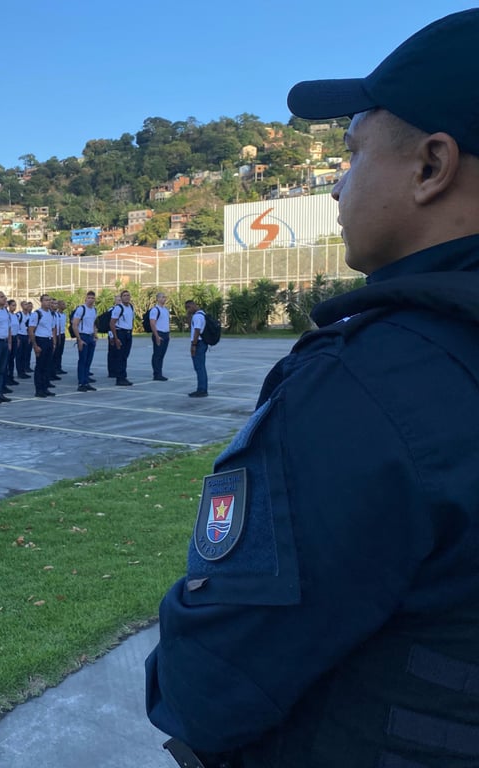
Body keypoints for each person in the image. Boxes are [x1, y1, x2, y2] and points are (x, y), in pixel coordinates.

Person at [146, 11, 479, 767]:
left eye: (354, 153)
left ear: (432, 166)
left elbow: (213, 679)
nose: (337, 185)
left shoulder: (375, 382)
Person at [27, 294, 58, 398]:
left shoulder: (51, 314)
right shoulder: (37, 314)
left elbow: (53, 329)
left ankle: (45, 388)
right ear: (41, 301)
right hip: (41, 340)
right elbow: (31, 330)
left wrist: (54, 342)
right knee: (40, 366)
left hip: (48, 340)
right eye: (46, 300)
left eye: (49, 300)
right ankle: (39, 390)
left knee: (47, 366)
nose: (48, 302)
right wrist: (35, 345)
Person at [107, 290, 134, 386]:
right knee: (120, 356)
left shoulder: (131, 307)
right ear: (121, 298)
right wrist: (116, 338)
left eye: (128, 295)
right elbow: (112, 323)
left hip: (128, 333)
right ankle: (119, 378)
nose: (127, 297)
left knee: (125, 356)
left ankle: (123, 376)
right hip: (120, 332)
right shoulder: (118, 308)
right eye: (124, 295)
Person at [72, 291, 97, 392]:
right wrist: (79, 339)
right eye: (89, 298)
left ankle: (86, 381)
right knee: (82, 360)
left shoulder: (94, 310)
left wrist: (95, 335)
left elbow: (94, 323)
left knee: (88, 360)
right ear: (85, 299)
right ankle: (81, 382)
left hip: (90, 337)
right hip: (83, 336)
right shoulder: (81, 309)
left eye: (92, 298)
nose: (91, 299)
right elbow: (75, 324)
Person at [184, 299, 208, 397]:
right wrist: (189, 316)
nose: (188, 310)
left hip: (198, 343)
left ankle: (202, 389)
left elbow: (197, 331)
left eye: (188, 307)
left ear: (193, 305)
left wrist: (193, 345)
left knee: (199, 367)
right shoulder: (200, 314)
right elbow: (192, 328)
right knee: (200, 367)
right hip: (200, 342)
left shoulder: (198, 316)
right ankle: (202, 388)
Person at [149, 292, 171, 382]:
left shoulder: (165, 310)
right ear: (157, 299)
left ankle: (160, 372)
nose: (164, 299)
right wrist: (156, 336)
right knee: (157, 355)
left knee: (162, 355)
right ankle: (156, 374)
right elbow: (152, 323)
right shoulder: (155, 310)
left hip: (165, 334)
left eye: (165, 297)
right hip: (159, 333)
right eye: (162, 297)